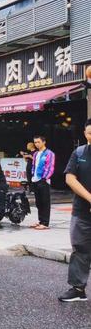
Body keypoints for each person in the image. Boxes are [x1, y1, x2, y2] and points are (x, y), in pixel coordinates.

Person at [58, 119, 91, 302]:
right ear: (85, 134)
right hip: (82, 212)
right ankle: (78, 289)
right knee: (80, 249)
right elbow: (70, 179)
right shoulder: (79, 153)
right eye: (90, 133)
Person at [30, 135, 55, 230]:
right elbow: (33, 165)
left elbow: (50, 167)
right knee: (38, 202)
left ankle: (45, 222)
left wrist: (45, 178)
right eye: (35, 142)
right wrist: (33, 175)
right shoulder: (36, 154)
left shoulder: (49, 153)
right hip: (35, 179)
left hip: (44, 180)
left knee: (45, 202)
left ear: (44, 142)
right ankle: (40, 220)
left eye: (38, 142)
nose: (36, 144)